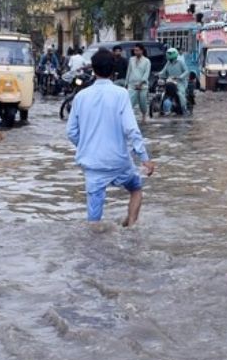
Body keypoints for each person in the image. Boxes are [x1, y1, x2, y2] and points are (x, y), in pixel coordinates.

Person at [66, 49, 156, 225]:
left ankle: (94, 247)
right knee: (136, 189)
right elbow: (132, 129)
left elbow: (71, 132)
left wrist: (87, 146)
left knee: (93, 220)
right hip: (119, 162)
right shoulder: (121, 94)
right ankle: (130, 227)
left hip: (93, 166)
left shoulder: (80, 97)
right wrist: (145, 158)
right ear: (113, 71)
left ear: (93, 70)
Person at [155, 47, 188, 114]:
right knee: (163, 93)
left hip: (180, 82)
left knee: (180, 94)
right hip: (170, 82)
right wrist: (158, 74)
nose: (168, 55)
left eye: (169, 53)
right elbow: (163, 72)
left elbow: (186, 71)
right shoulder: (168, 63)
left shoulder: (180, 63)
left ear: (174, 54)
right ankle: (163, 108)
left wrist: (180, 77)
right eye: (167, 53)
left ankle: (184, 108)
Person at [125, 43, 151, 122]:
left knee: (143, 102)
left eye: (137, 50)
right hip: (132, 85)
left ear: (142, 51)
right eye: (135, 50)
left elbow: (146, 73)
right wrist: (126, 83)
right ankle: (128, 118)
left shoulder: (147, 61)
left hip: (143, 86)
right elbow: (128, 71)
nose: (136, 52)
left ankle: (144, 115)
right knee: (129, 102)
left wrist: (141, 83)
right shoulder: (131, 59)